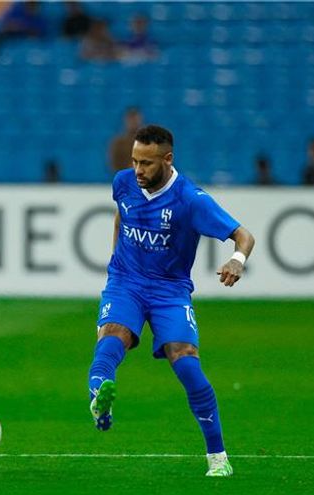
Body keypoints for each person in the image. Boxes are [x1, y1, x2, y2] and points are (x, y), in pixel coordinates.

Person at [87, 125, 255, 477]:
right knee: (112, 336)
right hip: (126, 282)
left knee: (187, 363)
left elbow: (244, 236)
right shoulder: (123, 182)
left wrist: (236, 262)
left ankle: (218, 458)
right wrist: (116, 259)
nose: (138, 170)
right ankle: (99, 401)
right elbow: (122, 212)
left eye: (146, 163)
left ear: (167, 159)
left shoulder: (190, 200)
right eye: (134, 161)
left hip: (169, 289)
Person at [107, 106, 143, 172]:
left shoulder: (149, 141)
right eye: (131, 119)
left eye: (135, 118)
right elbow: (113, 164)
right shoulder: (119, 143)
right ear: (126, 120)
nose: (133, 122)